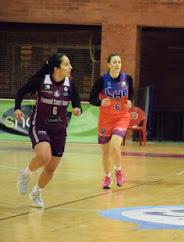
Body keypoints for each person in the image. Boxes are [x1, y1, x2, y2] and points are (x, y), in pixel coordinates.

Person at [15, 53, 82, 208]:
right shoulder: (41, 81)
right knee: (44, 156)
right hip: (40, 125)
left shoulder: (70, 84)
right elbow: (21, 91)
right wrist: (17, 108)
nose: (70, 67)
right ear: (56, 68)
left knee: (51, 168)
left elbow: (76, 99)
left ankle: (37, 192)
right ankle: (26, 173)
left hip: (59, 129)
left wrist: (78, 107)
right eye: (66, 64)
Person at [89, 53, 134, 189]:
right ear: (108, 64)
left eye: (119, 62)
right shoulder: (102, 80)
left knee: (115, 145)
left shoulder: (127, 78)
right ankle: (108, 177)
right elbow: (92, 99)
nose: (117, 65)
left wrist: (130, 101)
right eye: (114, 62)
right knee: (105, 152)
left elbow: (131, 92)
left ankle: (118, 171)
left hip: (122, 117)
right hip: (105, 119)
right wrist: (100, 102)